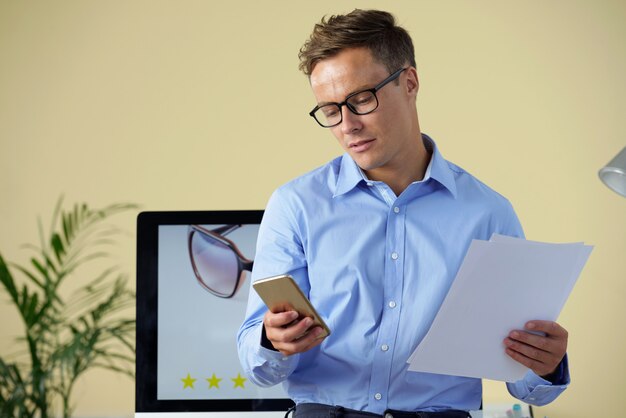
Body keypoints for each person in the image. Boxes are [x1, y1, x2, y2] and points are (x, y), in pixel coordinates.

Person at [237, 9, 569, 418]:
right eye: (329, 110)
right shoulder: (296, 205)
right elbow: (258, 366)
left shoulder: (488, 214)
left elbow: (525, 385)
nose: (347, 126)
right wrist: (273, 341)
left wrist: (544, 364)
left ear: (409, 83)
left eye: (361, 99)